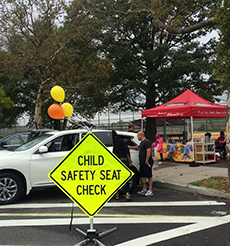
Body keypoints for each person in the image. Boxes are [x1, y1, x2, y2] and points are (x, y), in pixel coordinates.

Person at [128, 131, 154, 197]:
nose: (137, 137)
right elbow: (138, 147)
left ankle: (150, 190)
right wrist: (131, 147)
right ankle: (144, 188)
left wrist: (147, 159)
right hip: (142, 162)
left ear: (140, 135)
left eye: (137, 136)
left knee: (149, 176)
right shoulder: (142, 143)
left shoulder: (147, 142)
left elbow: (149, 151)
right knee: (141, 176)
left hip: (146, 161)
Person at [112, 130, 133, 201]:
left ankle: (116, 194)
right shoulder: (121, 141)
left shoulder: (111, 142)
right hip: (123, 160)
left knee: (115, 177)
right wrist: (129, 161)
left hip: (115, 162)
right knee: (125, 177)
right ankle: (127, 194)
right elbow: (126, 151)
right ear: (116, 135)